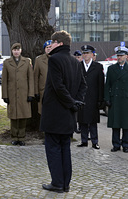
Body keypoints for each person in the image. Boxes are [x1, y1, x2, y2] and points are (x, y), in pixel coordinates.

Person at [40, 30, 87, 193]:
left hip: (55, 114)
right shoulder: (75, 62)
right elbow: (83, 85)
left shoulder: (54, 60)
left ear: (59, 43)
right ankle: (65, 183)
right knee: (65, 149)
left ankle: (57, 183)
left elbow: (58, 87)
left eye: (52, 42)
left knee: (53, 149)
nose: (50, 44)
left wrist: (72, 103)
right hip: (68, 115)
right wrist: (75, 102)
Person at [2, 43, 34, 146]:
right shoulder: (7, 63)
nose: (16, 51)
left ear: (21, 51)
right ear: (12, 51)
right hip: (12, 94)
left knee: (23, 117)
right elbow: (4, 81)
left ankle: (22, 137)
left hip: (24, 94)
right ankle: (14, 137)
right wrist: (5, 95)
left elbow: (31, 79)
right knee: (13, 117)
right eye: (14, 50)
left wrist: (31, 94)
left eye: (18, 49)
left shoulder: (26, 62)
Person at [76, 45, 104, 150]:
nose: (85, 55)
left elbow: (101, 85)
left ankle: (94, 141)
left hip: (93, 98)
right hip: (81, 98)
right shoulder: (78, 66)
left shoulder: (98, 66)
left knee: (93, 122)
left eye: (87, 53)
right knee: (82, 120)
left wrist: (101, 99)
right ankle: (84, 141)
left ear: (92, 55)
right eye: (84, 53)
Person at [104, 46, 128, 153]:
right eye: (118, 56)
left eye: (121, 55)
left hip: (126, 99)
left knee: (126, 124)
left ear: (126, 56)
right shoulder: (111, 69)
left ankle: (126, 144)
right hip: (115, 99)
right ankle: (116, 144)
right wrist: (107, 99)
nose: (119, 57)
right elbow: (107, 85)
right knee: (116, 124)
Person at [34, 40, 52, 114]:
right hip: (43, 92)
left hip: (55, 92)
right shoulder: (39, 60)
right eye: (47, 47)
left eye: (50, 47)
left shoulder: (58, 58)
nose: (48, 49)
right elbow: (35, 77)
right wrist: (36, 92)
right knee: (43, 113)